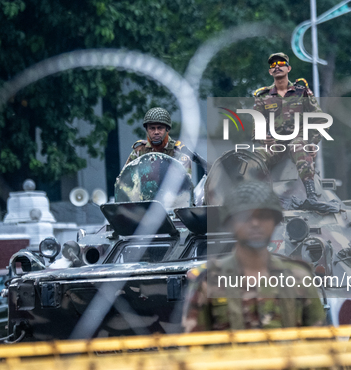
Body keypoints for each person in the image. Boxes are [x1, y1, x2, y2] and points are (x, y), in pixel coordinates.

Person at [182, 181, 326, 332]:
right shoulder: (207, 280)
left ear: (275, 222)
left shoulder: (299, 278)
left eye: (263, 216)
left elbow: (321, 344)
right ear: (231, 224)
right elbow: (194, 347)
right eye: (245, 217)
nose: (255, 223)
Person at [253, 52, 338, 213]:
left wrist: (312, 142)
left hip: (297, 139)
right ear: (270, 72)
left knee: (298, 146)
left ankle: (311, 197)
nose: (277, 66)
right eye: (273, 65)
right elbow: (256, 126)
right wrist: (264, 139)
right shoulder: (263, 96)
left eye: (281, 63)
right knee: (254, 156)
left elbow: (321, 119)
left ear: (288, 68)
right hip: (275, 143)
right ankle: (260, 198)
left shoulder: (301, 91)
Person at [124, 107, 192, 174]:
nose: (156, 132)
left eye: (160, 128)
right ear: (147, 130)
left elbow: (185, 182)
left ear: (167, 129)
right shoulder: (139, 152)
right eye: (152, 128)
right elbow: (124, 179)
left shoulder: (179, 153)